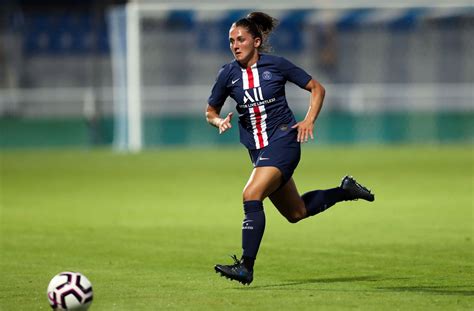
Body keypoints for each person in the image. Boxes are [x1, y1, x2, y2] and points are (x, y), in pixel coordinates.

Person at [206, 12, 375, 286]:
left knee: (251, 194)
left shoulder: (277, 65)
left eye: (241, 39)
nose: (235, 45)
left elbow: (316, 88)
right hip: (258, 152)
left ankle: (245, 268)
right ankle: (345, 190)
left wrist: (308, 120)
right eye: (231, 41)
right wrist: (217, 121)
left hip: (284, 141)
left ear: (257, 41)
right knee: (296, 213)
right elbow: (210, 110)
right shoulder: (227, 74)